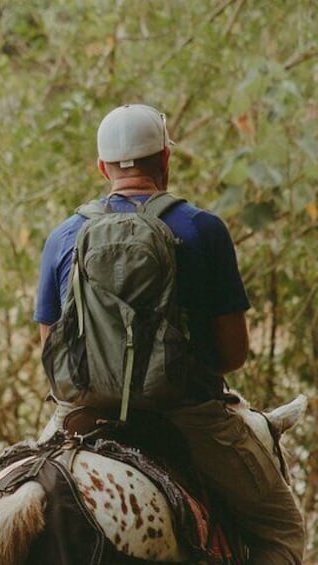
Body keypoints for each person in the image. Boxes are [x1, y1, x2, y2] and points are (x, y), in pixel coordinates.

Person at [34, 104, 304, 564]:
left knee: (13, 484)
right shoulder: (203, 229)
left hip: (82, 414)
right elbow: (232, 353)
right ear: (165, 160)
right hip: (186, 415)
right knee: (282, 527)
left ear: (102, 168)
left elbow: (49, 348)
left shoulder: (64, 236)